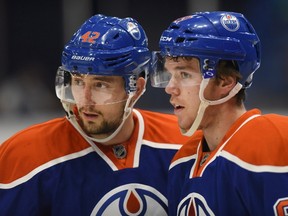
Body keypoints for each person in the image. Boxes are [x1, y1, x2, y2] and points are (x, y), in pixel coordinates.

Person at [0, 14, 189, 215]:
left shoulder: (184, 144)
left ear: (136, 88)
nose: (85, 100)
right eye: (79, 82)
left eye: (100, 84)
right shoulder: (23, 156)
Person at [150, 11, 288, 215]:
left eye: (184, 74)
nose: (170, 88)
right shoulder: (183, 161)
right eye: (170, 75)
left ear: (225, 81)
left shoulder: (273, 143)